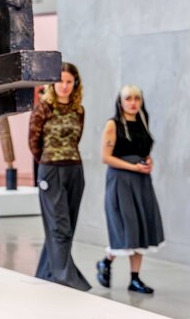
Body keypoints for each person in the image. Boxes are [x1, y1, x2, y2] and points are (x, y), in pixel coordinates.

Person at [28, 62, 91, 291]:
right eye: (60, 81)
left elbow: (76, 139)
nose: (64, 86)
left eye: (69, 82)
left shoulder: (79, 110)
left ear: (75, 84)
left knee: (67, 226)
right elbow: (33, 143)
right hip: (51, 171)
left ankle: (46, 273)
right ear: (52, 84)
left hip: (74, 169)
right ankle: (65, 278)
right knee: (59, 227)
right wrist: (48, 162)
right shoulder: (42, 108)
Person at [96, 84, 164, 294]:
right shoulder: (113, 125)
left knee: (141, 228)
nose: (133, 103)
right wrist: (133, 167)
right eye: (128, 99)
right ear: (121, 101)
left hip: (141, 181)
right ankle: (106, 261)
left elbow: (143, 150)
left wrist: (148, 161)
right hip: (121, 182)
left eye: (137, 98)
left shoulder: (143, 120)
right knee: (127, 229)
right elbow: (106, 157)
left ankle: (135, 278)